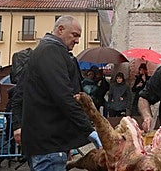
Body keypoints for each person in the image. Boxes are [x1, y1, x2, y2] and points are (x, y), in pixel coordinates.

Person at [11, 15, 101, 171]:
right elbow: (64, 96)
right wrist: (89, 130)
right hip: (49, 144)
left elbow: (20, 94)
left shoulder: (46, 52)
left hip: (50, 145)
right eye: (75, 35)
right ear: (60, 29)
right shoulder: (50, 52)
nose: (78, 40)